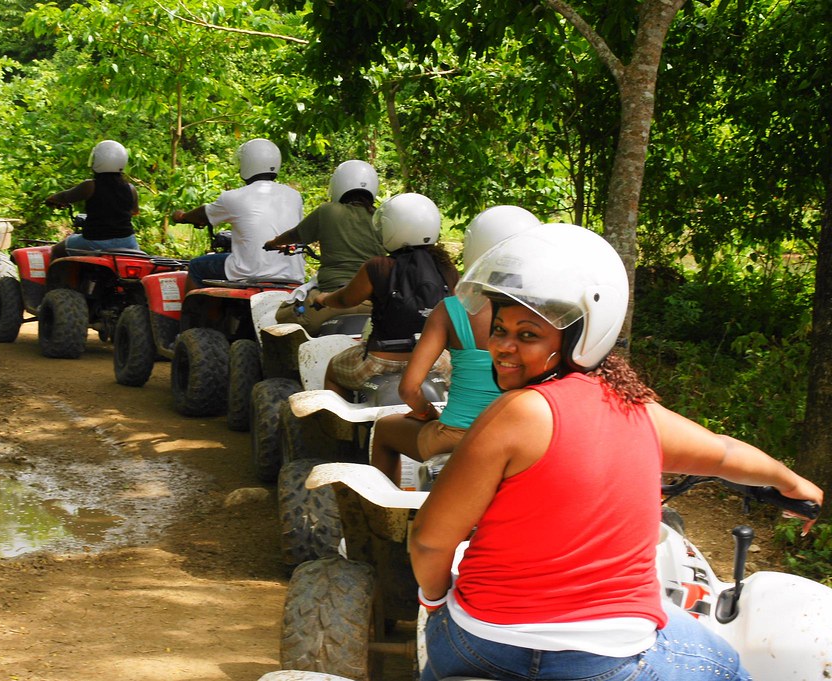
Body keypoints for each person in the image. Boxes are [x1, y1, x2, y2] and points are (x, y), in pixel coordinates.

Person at [410, 223, 824, 681]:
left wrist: (434, 601)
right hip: (605, 660)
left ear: (575, 337)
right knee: (728, 666)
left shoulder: (514, 413)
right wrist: (789, 482)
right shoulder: (635, 410)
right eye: (500, 329)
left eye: (527, 335)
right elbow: (723, 454)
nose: (502, 348)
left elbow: (430, 540)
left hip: (478, 644)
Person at [369, 205, 540, 485]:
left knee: (386, 430)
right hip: (523, 439)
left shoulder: (450, 309)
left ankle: (385, 524)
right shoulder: (548, 317)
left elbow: (409, 388)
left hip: (455, 436)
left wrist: (427, 413)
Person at [314, 192, 459, 400]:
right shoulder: (447, 268)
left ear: (392, 228)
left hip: (379, 362)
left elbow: (346, 299)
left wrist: (324, 299)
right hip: (434, 362)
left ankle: (343, 429)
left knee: (334, 370)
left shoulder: (379, 267)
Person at [263, 159, 385, 335]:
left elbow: (295, 235)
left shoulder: (328, 211)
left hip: (333, 301)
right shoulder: (381, 218)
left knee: (283, 314)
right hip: (373, 303)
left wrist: (273, 243)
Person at [172, 138, 304, 294]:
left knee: (196, 266)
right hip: (293, 276)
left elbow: (203, 214)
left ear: (247, 163)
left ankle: (193, 317)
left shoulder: (233, 197)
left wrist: (182, 216)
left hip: (250, 272)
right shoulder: (294, 196)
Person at [44, 140, 140, 259]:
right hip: (128, 242)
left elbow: (65, 196)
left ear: (98, 161)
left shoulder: (90, 186)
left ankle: (60, 278)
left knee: (56, 250)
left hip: (95, 240)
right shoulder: (131, 189)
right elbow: (134, 211)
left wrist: (51, 199)